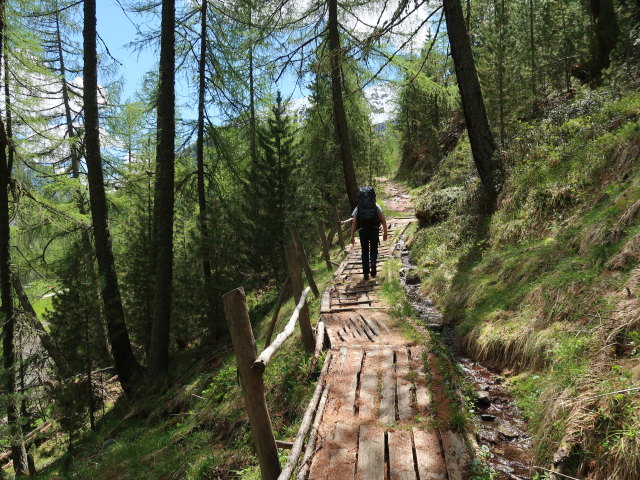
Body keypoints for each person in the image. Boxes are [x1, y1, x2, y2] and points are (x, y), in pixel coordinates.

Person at [350, 186, 388, 281]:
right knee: (374, 249)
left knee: (365, 251)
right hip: (374, 229)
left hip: (363, 231)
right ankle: (373, 262)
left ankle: (366, 274)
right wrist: (385, 233)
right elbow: (383, 220)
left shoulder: (358, 207)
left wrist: (352, 236)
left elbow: (354, 222)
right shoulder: (375, 205)